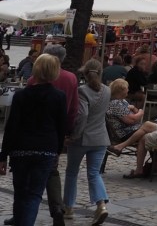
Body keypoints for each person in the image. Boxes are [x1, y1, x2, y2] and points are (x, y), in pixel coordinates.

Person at [0, 53, 67, 226]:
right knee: (34, 195)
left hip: (21, 149)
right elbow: (61, 127)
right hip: (46, 149)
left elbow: (12, 127)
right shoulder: (59, 97)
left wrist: (3, 155)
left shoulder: (21, 96)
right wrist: (57, 151)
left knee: (20, 192)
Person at [34, 44, 79, 226]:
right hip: (56, 131)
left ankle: (25, 207)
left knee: (31, 172)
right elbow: (74, 108)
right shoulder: (71, 78)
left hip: (35, 130)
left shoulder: (35, 79)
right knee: (52, 170)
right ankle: (57, 208)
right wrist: (68, 130)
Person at [64, 60, 110, 225]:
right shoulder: (107, 90)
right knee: (94, 173)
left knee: (71, 172)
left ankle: (69, 207)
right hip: (100, 138)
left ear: (85, 73)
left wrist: (74, 136)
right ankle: (101, 205)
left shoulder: (82, 91)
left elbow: (82, 115)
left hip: (82, 139)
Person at [105, 79, 157, 171]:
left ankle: (153, 166)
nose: (128, 90)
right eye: (127, 88)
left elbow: (135, 114)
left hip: (131, 129)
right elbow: (131, 120)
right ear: (121, 90)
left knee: (150, 134)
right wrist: (141, 112)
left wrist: (135, 109)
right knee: (150, 129)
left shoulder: (123, 101)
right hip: (124, 132)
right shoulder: (115, 103)